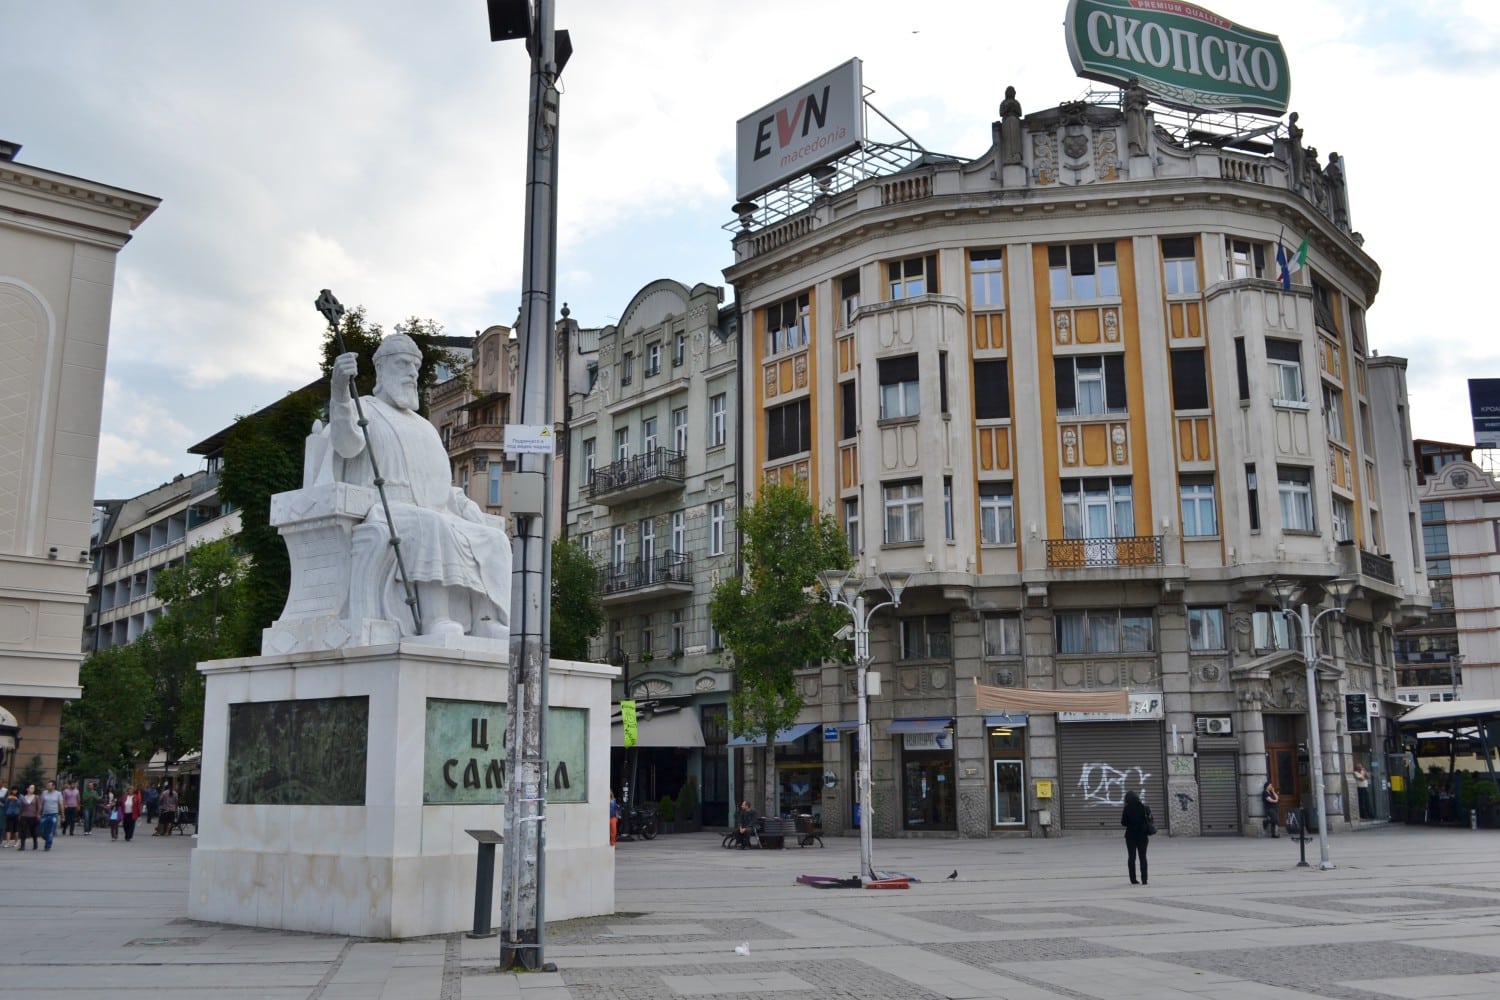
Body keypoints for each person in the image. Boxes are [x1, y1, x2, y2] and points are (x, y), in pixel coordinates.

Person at [327, 335, 514, 638]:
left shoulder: (425, 427)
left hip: (433, 509)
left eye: (415, 366)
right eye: (403, 364)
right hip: (386, 507)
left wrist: (461, 501)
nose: (412, 373)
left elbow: (437, 481)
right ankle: (435, 618)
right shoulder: (365, 409)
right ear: (381, 369)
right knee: (432, 525)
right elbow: (346, 444)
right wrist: (339, 392)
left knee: (494, 539)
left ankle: (486, 619)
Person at [1120, 789, 1151, 885]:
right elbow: (1150, 820)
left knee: (1131, 857)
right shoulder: (1144, 807)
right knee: (1143, 857)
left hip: (1130, 836)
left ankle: (1133, 879)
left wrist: (1131, 823)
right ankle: (1144, 879)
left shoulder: (1127, 809)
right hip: (1143, 836)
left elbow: (1123, 822)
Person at [999, 85, 1023, 166]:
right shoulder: (1003, 103)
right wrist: (1008, 107)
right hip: (1006, 121)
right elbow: (1001, 113)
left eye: (1012, 91)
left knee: (1015, 138)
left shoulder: (1016, 103)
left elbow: (1020, 113)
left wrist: (1014, 108)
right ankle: (1008, 156)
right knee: (1007, 139)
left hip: (1015, 120)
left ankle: (1016, 156)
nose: (1010, 93)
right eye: (1009, 91)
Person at [39, 779, 63, 849]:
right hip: (45, 814)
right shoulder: (44, 793)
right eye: (48, 785)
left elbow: (61, 804)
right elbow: (41, 803)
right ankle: (47, 838)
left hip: (54, 814)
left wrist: (62, 815)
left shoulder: (58, 794)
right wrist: (38, 812)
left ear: (53, 786)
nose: (48, 786)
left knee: (51, 830)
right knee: (41, 830)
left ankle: (48, 845)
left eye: (49, 785)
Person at [17, 783, 41, 851]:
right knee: (23, 831)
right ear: (27, 789)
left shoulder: (36, 797)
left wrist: (38, 814)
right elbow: (21, 808)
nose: (33, 789)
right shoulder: (23, 797)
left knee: (33, 831)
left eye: (33, 788)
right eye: (31, 788)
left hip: (33, 816)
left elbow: (39, 806)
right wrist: (19, 816)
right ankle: (22, 846)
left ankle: (35, 843)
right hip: (24, 816)